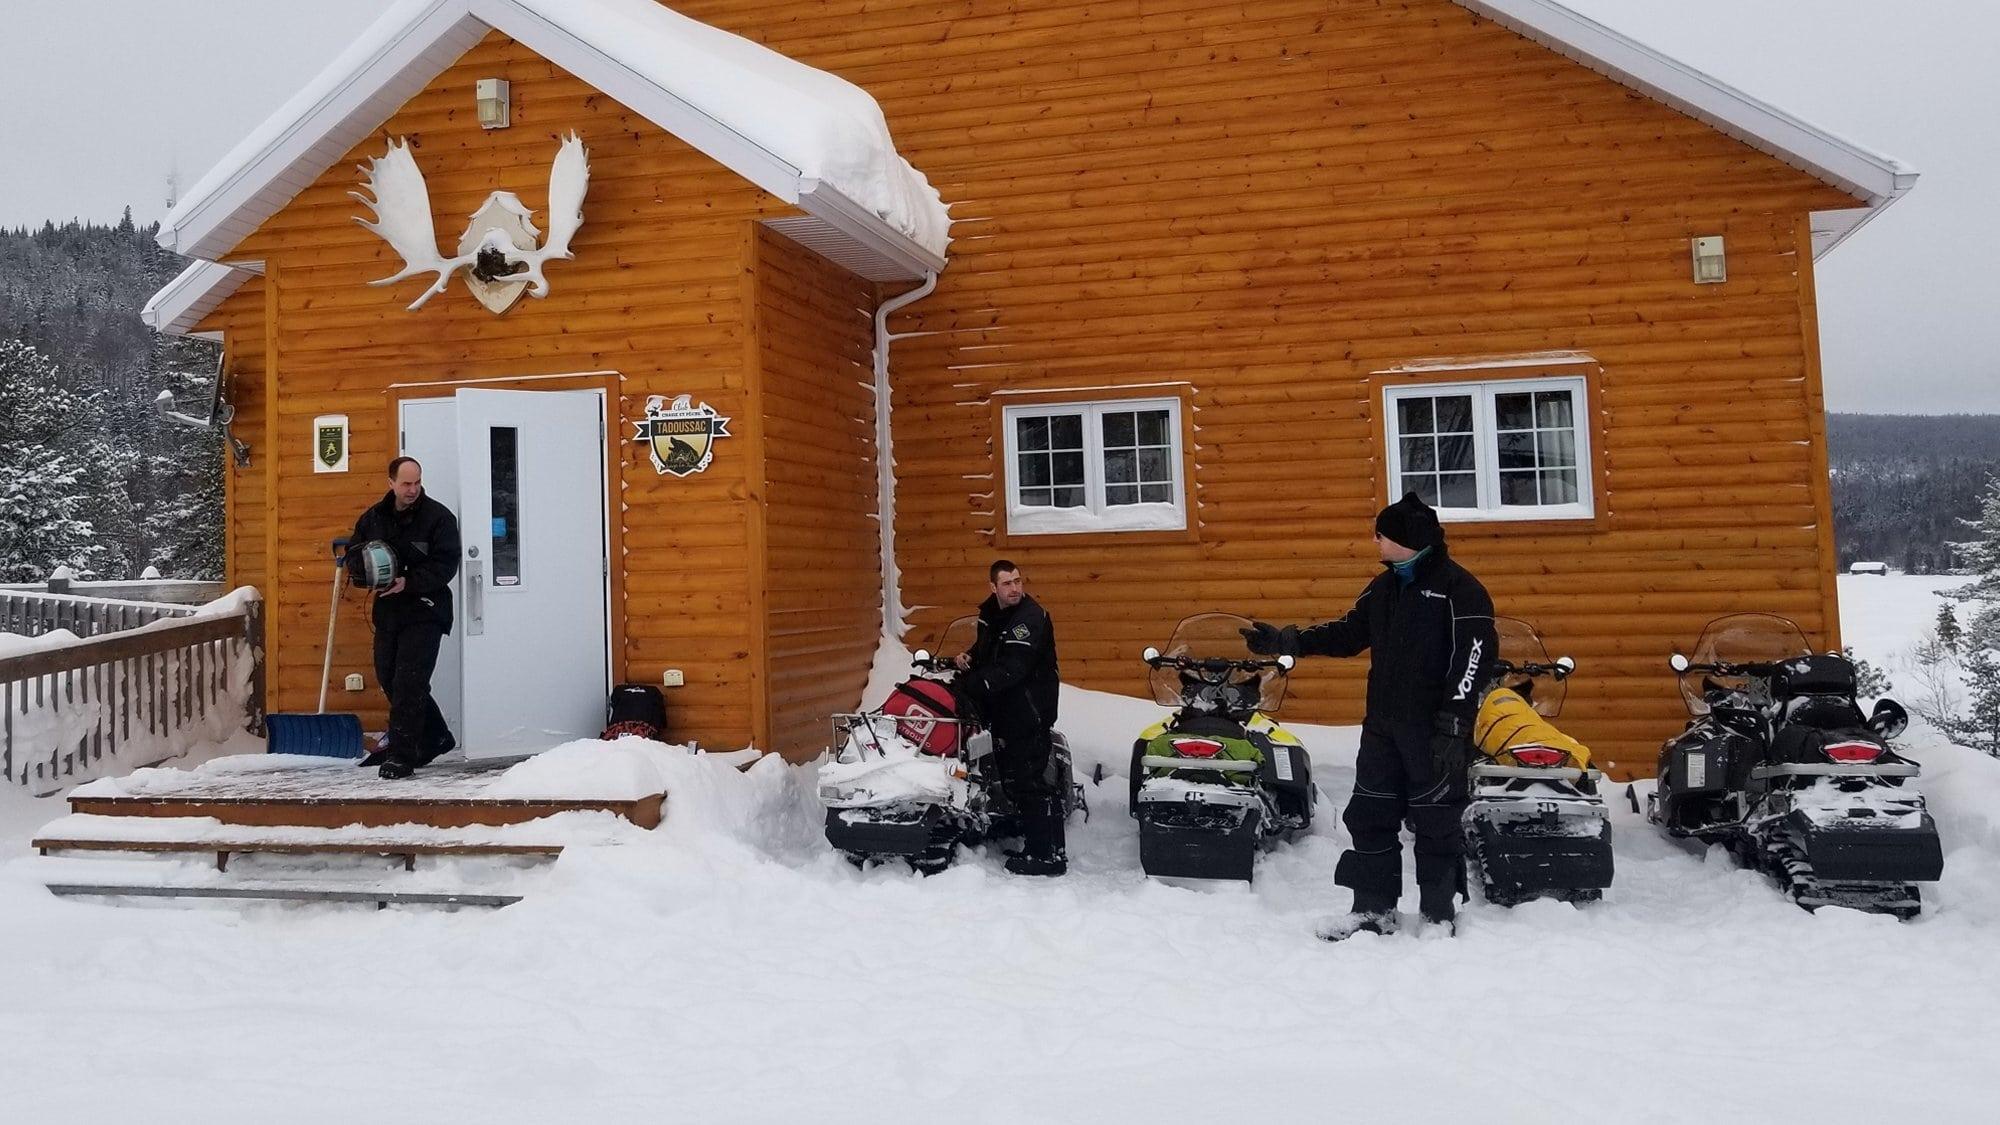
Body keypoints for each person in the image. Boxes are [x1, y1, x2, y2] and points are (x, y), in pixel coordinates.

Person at [1243, 493, 1496, 937]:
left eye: (1381, 533)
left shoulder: (1461, 591)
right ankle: (1373, 910)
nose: (1375, 540)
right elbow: (1348, 632)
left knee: (1436, 821)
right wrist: (1288, 641)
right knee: (1369, 815)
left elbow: (1472, 660)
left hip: (1435, 731)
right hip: (1382, 727)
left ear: (1404, 539)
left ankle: (1439, 915)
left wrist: (1455, 723)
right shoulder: (1385, 588)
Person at [351, 456, 462, 779]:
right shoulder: (374, 518)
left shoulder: (438, 518)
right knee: (388, 677)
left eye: (417, 483)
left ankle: (402, 755)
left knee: (409, 682)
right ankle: (437, 736)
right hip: (388, 611)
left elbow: (446, 564)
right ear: (391, 484)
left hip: (426, 608)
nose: (413, 490)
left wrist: (408, 581)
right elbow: (356, 555)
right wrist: (362, 571)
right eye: (406, 484)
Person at [955, 559, 1066, 876]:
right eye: (1007, 583)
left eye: (1018, 581)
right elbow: (989, 649)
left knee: (1031, 782)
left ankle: (1045, 856)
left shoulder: (1029, 618)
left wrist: (976, 683)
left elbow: (1013, 666)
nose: (1015, 588)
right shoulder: (993, 613)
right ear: (994, 587)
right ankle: (1043, 848)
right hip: (1006, 711)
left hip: (1028, 711)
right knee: (1018, 780)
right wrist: (969, 658)